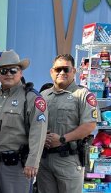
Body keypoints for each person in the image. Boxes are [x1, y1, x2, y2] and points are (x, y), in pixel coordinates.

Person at [0, 49, 48, 193]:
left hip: (17, 167)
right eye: (4, 71)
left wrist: (33, 162)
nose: (8, 74)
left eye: (13, 70)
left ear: (20, 72)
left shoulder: (31, 98)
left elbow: (38, 133)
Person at [37, 54, 100, 193]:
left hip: (68, 160)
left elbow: (89, 125)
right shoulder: (43, 96)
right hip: (44, 160)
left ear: (74, 71)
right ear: (51, 72)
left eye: (66, 69)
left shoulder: (83, 95)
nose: (61, 73)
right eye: (58, 69)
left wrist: (62, 139)